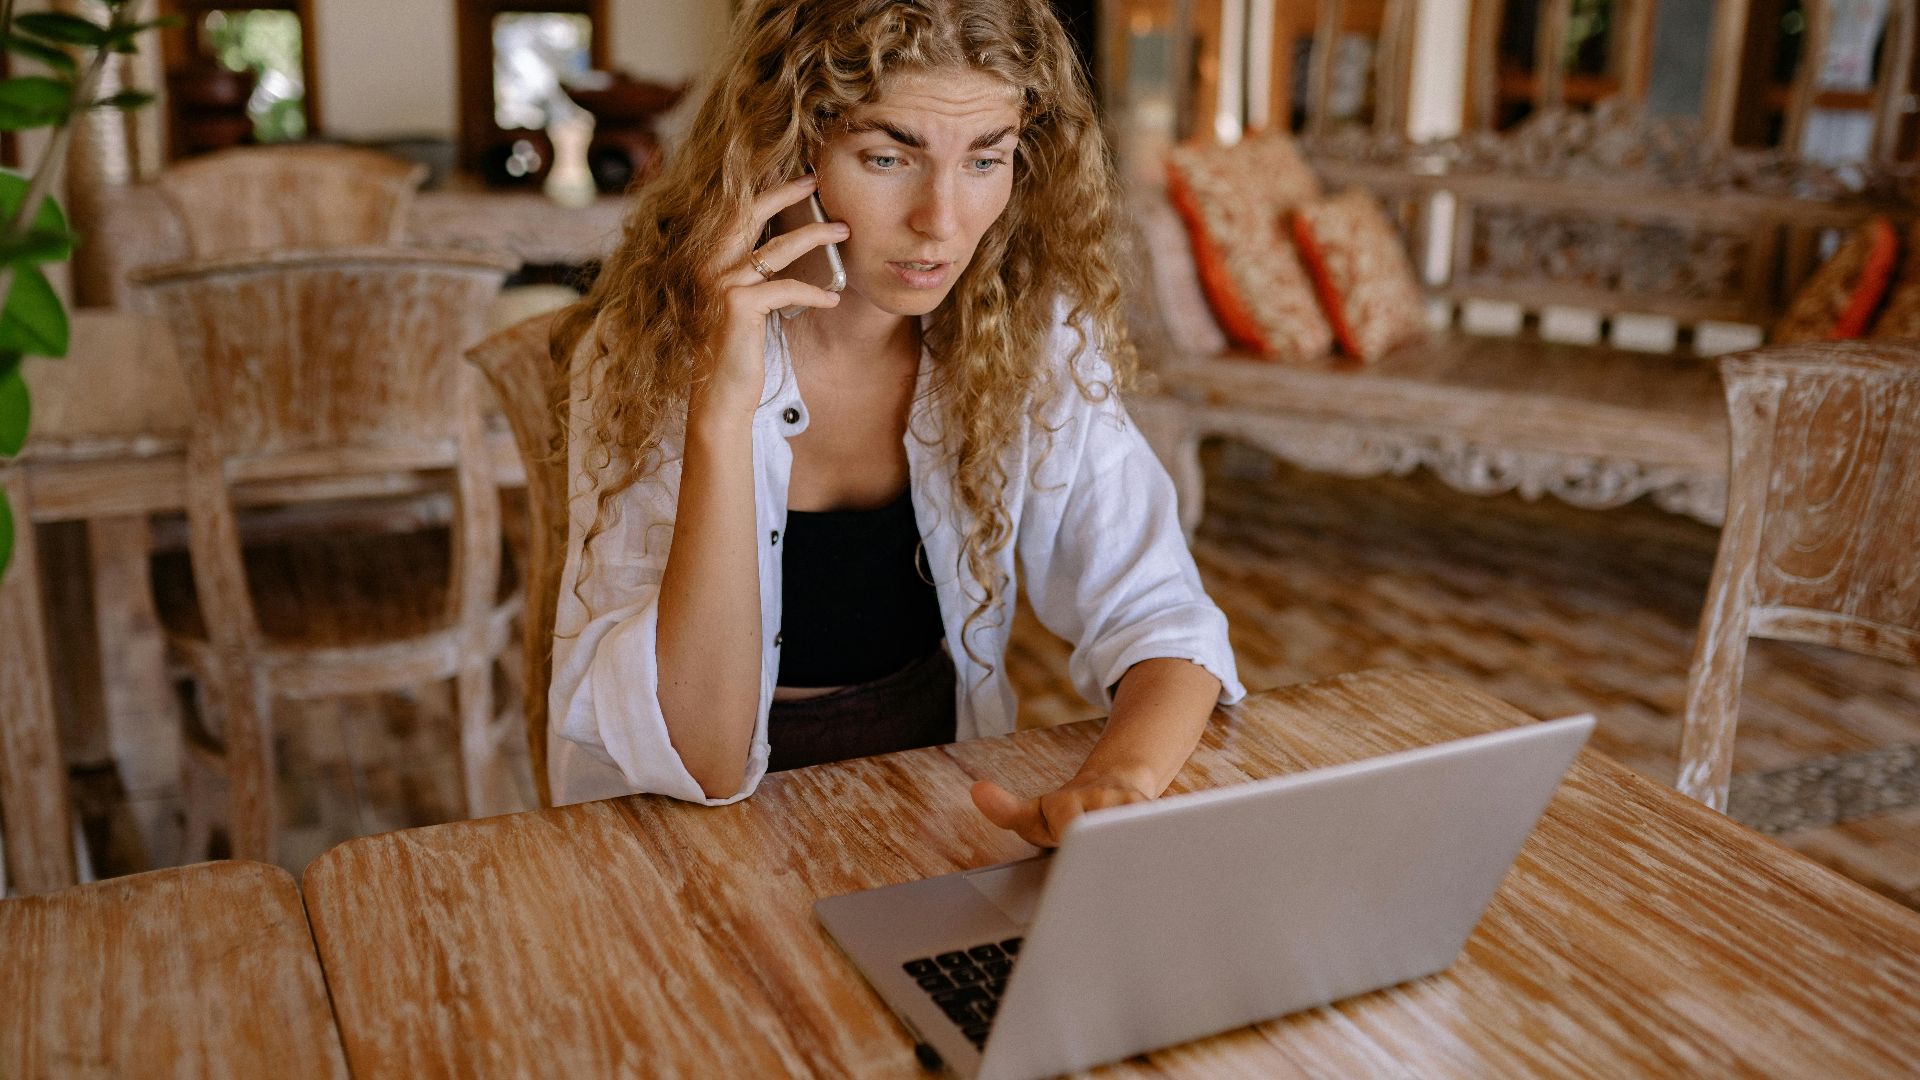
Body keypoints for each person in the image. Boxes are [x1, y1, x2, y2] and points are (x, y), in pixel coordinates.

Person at [547, 0, 1243, 846]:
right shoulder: (648, 346)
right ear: (783, 147)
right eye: (886, 156)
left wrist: (1119, 783)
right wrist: (721, 411)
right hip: (681, 827)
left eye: (986, 158)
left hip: (936, 794)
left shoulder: (1028, 328)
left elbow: (1160, 611)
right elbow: (706, 761)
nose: (942, 223)